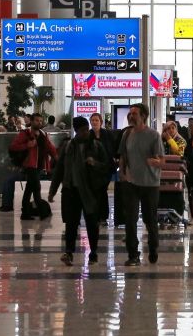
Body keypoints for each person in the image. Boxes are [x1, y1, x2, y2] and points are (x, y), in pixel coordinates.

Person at [48, 116, 109, 266]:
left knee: (91, 223)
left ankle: (93, 252)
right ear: (76, 131)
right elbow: (59, 169)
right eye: (82, 130)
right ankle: (69, 252)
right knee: (71, 223)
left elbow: (107, 167)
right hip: (71, 190)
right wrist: (53, 190)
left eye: (86, 129)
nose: (86, 133)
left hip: (90, 191)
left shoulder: (96, 146)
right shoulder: (68, 147)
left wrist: (94, 163)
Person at [119, 103, 165, 266]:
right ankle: (133, 254)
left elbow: (162, 161)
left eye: (135, 114)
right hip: (131, 183)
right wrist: (122, 173)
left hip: (150, 183)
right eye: (130, 113)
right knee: (130, 220)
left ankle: (153, 248)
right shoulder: (127, 134)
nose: (131, 116)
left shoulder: (153, 135)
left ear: (143, 116)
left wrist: (155, 161)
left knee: (149, 219)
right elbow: (123, 156)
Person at [9, 113, 58, 220]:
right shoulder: (25, 133)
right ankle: (42, 213)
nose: (39, 123)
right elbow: (13, 147)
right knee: (36, 188)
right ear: (31, 121)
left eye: (41, 121)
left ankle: (25, 213)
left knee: (29, 189)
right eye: (37, 120)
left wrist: (57, 158)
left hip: (39, 166)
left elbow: (50, 148)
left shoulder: (43, 134)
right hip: (29, 165)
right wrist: (27, 145)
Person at [89, 113, 117, 224]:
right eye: (93, 120)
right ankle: (96, 215)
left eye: (96, 120)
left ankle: (103, 216)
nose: (95, 122)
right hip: (93, 169)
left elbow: (112, 148)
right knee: (95, 192)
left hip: (106, 168)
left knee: (101, 191)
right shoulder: (89, 135)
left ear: (101, 122)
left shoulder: (107, 134)